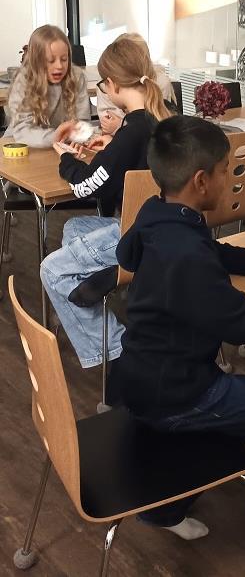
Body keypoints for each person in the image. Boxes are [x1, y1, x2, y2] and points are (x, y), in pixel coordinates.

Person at [115, 115, 245, 539]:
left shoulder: (160, 213)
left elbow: (208, 251)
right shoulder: (185, 254)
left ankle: (183, 444)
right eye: (226, 171)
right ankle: (168, 498)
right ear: (202, 181)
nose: (230, 179)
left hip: (140, 374)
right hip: (174, 392)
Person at [39, 36, 171, 368]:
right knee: (75, 228)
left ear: (112, 85)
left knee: (51, 270)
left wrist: (65, 158)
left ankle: (116, 349)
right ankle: (101, 286)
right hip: (161, 228)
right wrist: (108, 150)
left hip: (138, 233)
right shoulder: (159, 120)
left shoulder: (132, 131)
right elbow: (125, 165)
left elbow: (86, 187)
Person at [4, 25, 91, 147]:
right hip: (22, 145)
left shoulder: (76, 76)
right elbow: (22, 130)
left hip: (62, 145)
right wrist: (55, 136)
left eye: (64, 59)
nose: (59, 66)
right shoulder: (24, 80)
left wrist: (78, 133)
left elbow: (83, 121)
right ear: (36, 61)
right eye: (50, 60)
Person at [96, 32, 176, 136]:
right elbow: (107, 123)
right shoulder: (106, 84)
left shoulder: (160, 82)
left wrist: (121, 125)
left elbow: (158, 124)